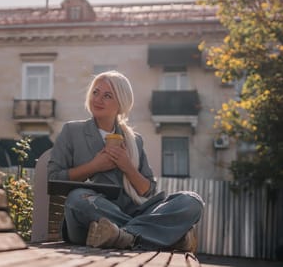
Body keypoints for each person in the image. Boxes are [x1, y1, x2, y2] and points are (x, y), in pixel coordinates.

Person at [48, 70, 204, 252]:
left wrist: (128, 167)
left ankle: (123, 235)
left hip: (129, 211)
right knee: (77, 199)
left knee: (192, 201)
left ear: (121, 104)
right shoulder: (72, 131)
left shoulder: (134, 140)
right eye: (95, 92)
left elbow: (148, 191)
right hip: (90, 218)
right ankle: (153, 236)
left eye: (107, 96)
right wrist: (94, 166)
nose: (97, 99)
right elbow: (53, 178)